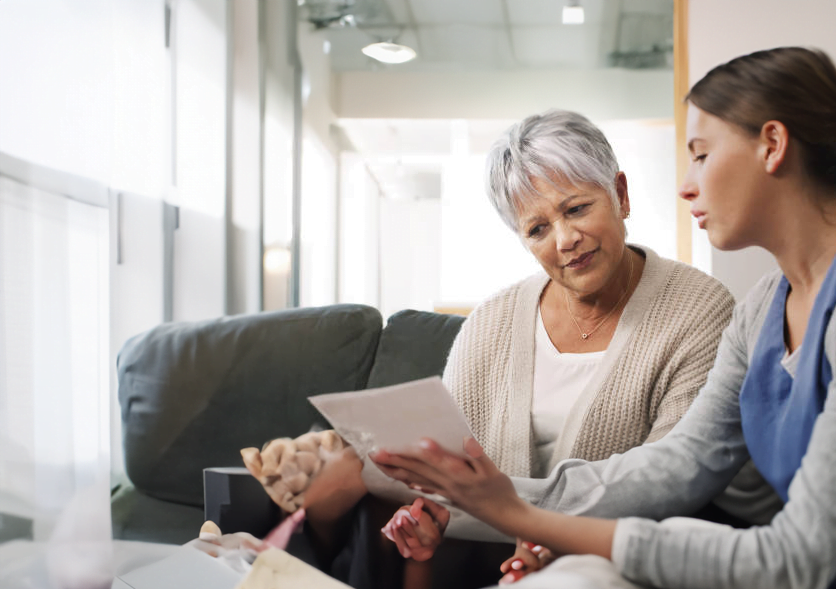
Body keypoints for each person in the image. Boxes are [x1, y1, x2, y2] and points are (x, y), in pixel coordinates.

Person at [371, 47, 836, 589]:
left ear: (772, 145)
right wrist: (492, 496)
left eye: (700, 153)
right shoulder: (761, 311)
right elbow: (674, 466)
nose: (687, 183)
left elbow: (794, 559)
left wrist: (522, 512)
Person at [257, 110, 771, 588]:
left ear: (621, 194)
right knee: (358, 491)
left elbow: (669, 482)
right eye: (538, 228)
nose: (565, 239)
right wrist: (429, 517)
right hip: (488, 546)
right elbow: (452, 471)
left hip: (609, 550)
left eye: (577, 209)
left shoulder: (699, 309)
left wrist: (530, 520)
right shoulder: (490, 322)